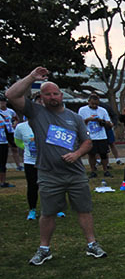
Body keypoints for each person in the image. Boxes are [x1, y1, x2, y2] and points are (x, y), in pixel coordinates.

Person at [6, 66, 108, 264]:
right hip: (49, 174)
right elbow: (11, 95)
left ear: (61, 95)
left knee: (84, 209)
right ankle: (44, 249)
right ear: (41, 97)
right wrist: (31, 77)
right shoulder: (36, 113)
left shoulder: (74, 117)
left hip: (75, 173)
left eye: (55, 93)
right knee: (48, 212)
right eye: (47, 94)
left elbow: (87, 142)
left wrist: (76, 154)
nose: (52, 97)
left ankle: (92, 244)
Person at [15, 93, 39, 219]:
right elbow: (17, 141)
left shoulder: (47, 124)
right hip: (30, 161)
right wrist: (27, 148)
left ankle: (56, 208)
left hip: (46, 161)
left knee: (51, 185)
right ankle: (32, 210)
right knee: (32, 186)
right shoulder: (21, 127)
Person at [77, 94, 113, 178]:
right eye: (92, 104)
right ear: (88, 102)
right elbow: (80, 123)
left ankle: (105, 170)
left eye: (96, 104)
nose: (94, 106)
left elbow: (109, 123)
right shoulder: (82, 110)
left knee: (104, 154)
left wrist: (101, 121)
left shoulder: (102, 110)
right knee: (91, 154)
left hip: (102, 136)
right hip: (90, 136)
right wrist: (89, 119)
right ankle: (93, 171)